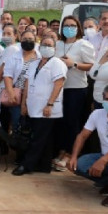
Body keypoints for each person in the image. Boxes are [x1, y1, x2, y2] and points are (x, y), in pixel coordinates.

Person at [13, 37, 67, 176]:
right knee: (46, 138)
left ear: (54, 49)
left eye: (50, 45)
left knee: (37, 138)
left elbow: (59, 84)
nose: (46, 47)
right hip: (32, 106)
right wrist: (24, 103)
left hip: (47, 107)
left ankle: (27, 165)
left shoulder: (57, 63)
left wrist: (50, 104)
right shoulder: (34, 63)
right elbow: (26, 84)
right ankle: (44, 165)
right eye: (44, 45)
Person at [52, 15, 96, 171]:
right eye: (66, 25)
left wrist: (74, 64)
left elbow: (91, 66)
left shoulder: (84, 44)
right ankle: (60, 149)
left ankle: (69, 153)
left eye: (72, 25)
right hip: (58, 89)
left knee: (72, 122)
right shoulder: (57, 44)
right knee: (60, 121)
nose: (69, 28)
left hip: (76, 88)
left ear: (78, 28)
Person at [1, 30, 39, 133]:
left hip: (34, 95)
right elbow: (7, 75)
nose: (28, 41)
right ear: (20, 40)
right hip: (17, 95)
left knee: (33, 122)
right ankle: (17, 142)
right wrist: (10, 92)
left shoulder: (40, 57)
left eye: (30, 39)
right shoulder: (14, 56)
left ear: (35, 40)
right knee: (17, 120)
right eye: (25, 39)